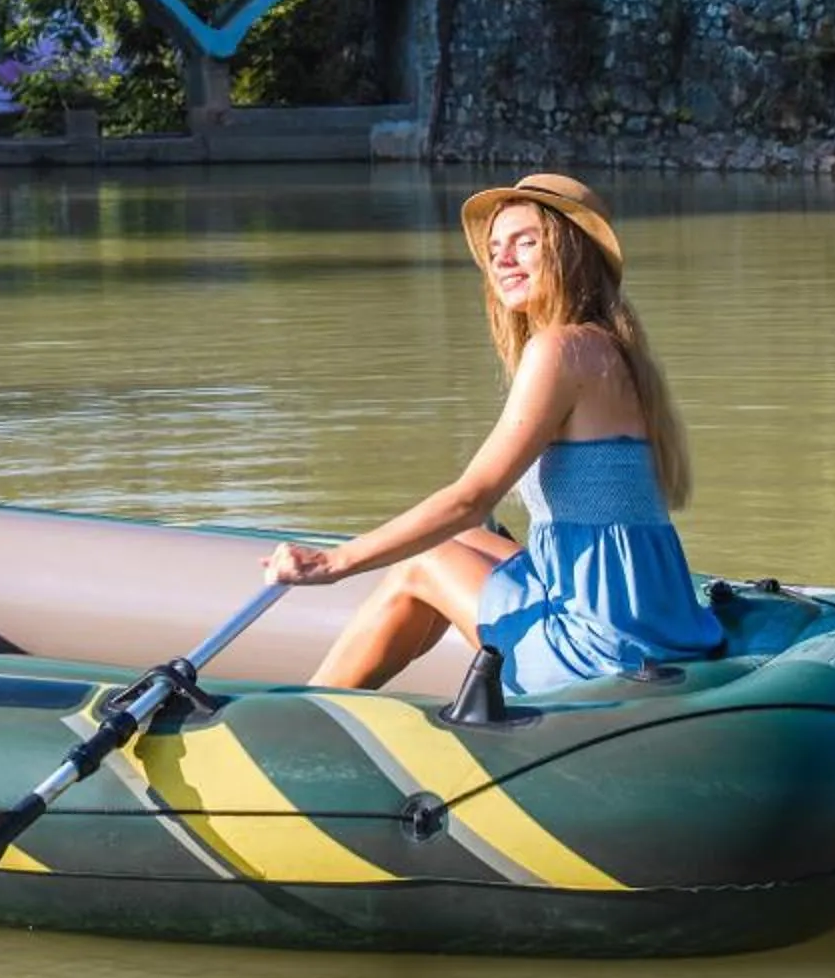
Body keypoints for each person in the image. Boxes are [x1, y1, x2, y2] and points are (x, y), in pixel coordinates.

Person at [264, 172, 725, 694]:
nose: (502, 260)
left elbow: (471, 496)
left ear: (569, 252)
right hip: (653, 622)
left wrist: (335, 561)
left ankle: (313, 708)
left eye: (525, 243)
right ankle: (353, 699)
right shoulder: (610, 348)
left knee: (425, 563)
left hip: (604, 645)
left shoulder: (560, 350)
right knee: (460, 540)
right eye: (496, 248)